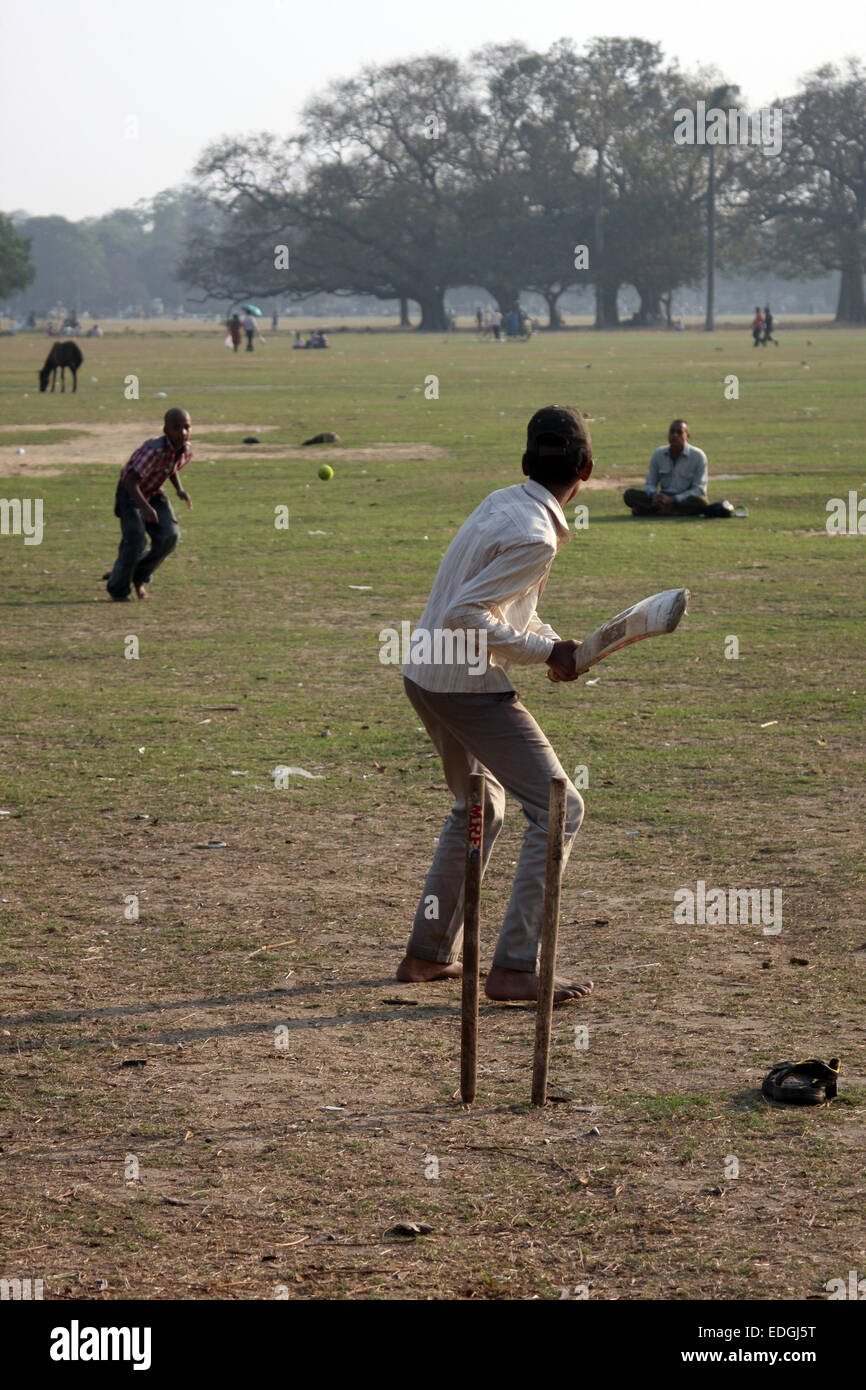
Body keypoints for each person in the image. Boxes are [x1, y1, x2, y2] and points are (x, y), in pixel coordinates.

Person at [397, 405, 595, 1005]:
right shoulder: (536, 536)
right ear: (587, 470)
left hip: (423, 672)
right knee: (559, 807)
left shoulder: (503, 502)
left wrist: (555, 648)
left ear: (525, 463)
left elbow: (504, 610)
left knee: (480, 803)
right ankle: (513, 967)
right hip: (462, 683)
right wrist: (544, 651)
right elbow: (468, 615)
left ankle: (427, 955)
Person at [104, 408, 193, 602]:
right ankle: (118, 588)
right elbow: (131, 481)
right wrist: (144, 507)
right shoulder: (154, 451)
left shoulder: (185, 450)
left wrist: (179, 489)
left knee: (170, 536)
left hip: (153, 491)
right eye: (176, 428)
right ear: (165, 430)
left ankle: (137, 575)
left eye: (187, 427)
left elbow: (170, 467)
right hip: (130, 493)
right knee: (136, 540)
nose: (183, 433)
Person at [623, 419, 720, 517]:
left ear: (687, 436)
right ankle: (665, 510)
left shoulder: (698, 456)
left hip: (683, 500)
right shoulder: (659, 454)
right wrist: (655, 496)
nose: (675, 435)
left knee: (701, 502)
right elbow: (650, 484)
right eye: (672, 432)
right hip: (663, 498)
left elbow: (699, 489)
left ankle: (655, 511)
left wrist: (674, 499)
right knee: (630, 495)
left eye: (679, 432)